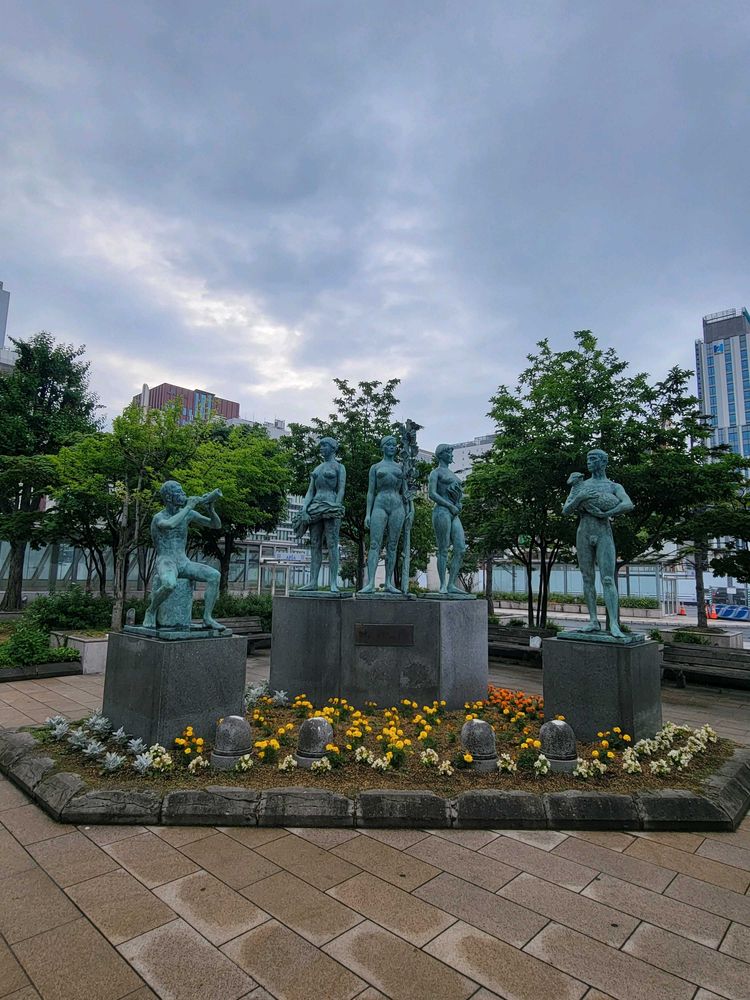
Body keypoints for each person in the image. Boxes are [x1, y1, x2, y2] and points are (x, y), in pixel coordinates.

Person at [562, 449, 634, 638]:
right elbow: (566, 510)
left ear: (603, 462)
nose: (589, 462)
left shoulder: (613, 486)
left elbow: (628, 504)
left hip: (603, 533)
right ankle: (593, 620)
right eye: (588, 459)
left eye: (593, 459)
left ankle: (614, 623)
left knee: (608, 578)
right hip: (584, 532)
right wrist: (580, 498)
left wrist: (608, 513)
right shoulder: (581, 485)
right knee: (587, 578)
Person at [143, 481, 225, 629]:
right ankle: (151, 610)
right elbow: (170, 525)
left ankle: (207, 618)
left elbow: (215, 525)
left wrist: (211, 509)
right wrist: (189, 507)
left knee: (214, 575)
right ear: (169, 497)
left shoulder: (188, 514)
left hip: (183, 562)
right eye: (179, 492)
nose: (184, 495)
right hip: (166, 561)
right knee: (169, 584)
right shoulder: (159, 517)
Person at [293, 436, 346, 592]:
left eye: (324, 445)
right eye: (321, 446)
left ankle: (333, 583)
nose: (321, 448)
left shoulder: (339, 467)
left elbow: (341, 489)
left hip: (331, 505)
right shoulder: (317, 468)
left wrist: (336, 506)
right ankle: (313, 581)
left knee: (332, 544)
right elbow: (310, 491)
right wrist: (304, 509)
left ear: (332, 448)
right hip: (315, 506)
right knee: (314, 544)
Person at [359, 435, 407, 594]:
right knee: (374, 544)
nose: (392, 447)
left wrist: (410, 510)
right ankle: (370, 583)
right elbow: (370, 492)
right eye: (389, 444)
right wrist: (367, 514)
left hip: (397, 506)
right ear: (383, 447)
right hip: (380, 504)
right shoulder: (375, 467)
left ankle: (388, 583)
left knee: (393, 545)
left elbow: (406, 492)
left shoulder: (402, 467)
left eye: (394, 445)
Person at [428, 443, 469, 595]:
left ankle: (451, 584)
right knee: (443, 548)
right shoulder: (435, 473)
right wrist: (449, 505)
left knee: (460, 548)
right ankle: (442, 585)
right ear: (441, 454)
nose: (451, 455)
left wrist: (458, 504)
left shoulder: (453, 474)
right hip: (442, 511)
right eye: (449, 453)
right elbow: (432, 494)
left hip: (454, 513)